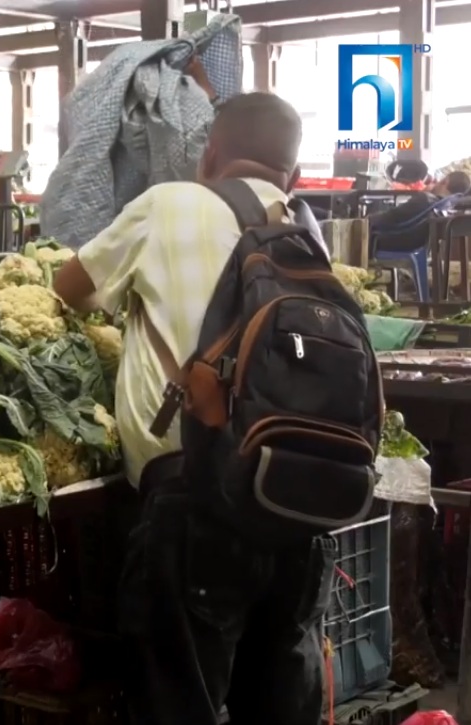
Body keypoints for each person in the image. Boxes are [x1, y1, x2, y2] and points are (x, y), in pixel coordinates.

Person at [52, 92, 334, 725]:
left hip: (195, 503)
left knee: (179, 706)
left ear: (209, 154)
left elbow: (69, 288)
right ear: (292, 172)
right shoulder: (305, 229)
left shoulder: (168, 203)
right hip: (297, 505)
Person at [370, 170, 471, 254]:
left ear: (445, 181)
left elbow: (390, 218)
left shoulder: (425, 200)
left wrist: (366, 220)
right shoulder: (444, 206)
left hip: (391, 241)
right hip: (415, 243)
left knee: (359, 230)